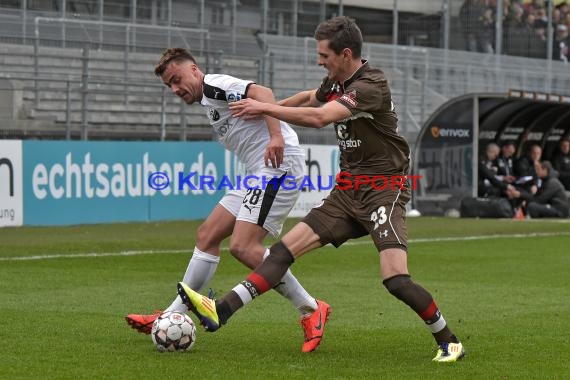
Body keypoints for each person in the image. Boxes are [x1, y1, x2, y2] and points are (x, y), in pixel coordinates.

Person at [176, 16, 465, 363]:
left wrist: (264, 106)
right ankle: (219, 310)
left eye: (324, 55)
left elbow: (320, 117)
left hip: (383, 188)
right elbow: (310, 98)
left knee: (396, 280)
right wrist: (273, 107)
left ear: (346, 54)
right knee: (282, 252)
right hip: (346, 190)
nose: (319, 61)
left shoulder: (371, 86)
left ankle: (449, 339)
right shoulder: (335, 81)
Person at [125, 48, 331, 353]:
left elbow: (263, 91)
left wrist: (275, 136)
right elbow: (262, 105)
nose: (175, 89)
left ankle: (311, 309)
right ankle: (172, 314)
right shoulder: (210, 100)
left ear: (194, 70)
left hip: (278, 166)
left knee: (243, 247)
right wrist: (266, 113)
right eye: (169, 85)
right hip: (257, 172)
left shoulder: (214, 85)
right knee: (207, 234)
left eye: (177, 79)